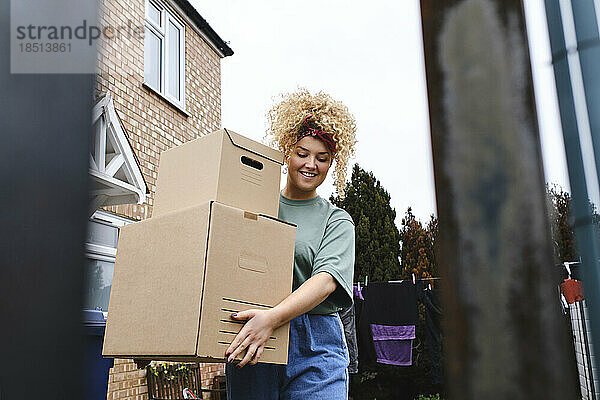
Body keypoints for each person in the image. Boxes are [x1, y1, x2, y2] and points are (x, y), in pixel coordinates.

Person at [224, 88, 358, 399]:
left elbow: (325, 282)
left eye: (322, 158)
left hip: (316, 342)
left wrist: (272, 318)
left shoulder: (336, 220)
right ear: (286, 151)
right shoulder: (254, 202)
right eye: (302, 153)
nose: (311, 164)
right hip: (252, 334)